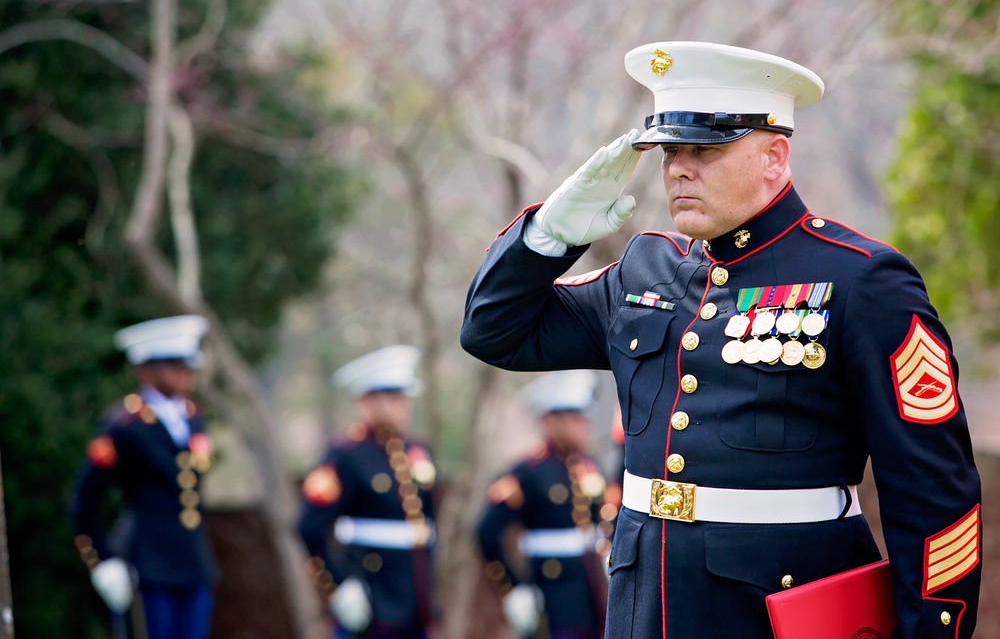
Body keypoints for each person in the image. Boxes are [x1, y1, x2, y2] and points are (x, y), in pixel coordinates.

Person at [460, 41, 982, 638]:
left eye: (705, 149)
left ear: (774, 157)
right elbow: (492, 332)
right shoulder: (644, 270)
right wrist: (547, 235)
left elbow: (935, 498)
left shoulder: (863, 280)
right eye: (670, 150)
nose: (679, 168)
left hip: (780, 614)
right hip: (643, 609)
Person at [71, 314, 217, 639]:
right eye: (175, 366)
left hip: (193, 561)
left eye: (187, 366)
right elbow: (84, 499)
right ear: (146, 370)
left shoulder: (194, 419)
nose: (185, 374)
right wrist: (102, 561)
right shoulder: (125, 427)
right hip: (147, 563)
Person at [298, 345, 436, 639]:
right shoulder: (346, 455)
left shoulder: (417, 451)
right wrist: (339, 587)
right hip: (372, 598)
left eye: (404, 397)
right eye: (392, 397)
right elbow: (309, 527)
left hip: (416, 601)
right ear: (365, 401)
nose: (402, 405)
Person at [476, 369, 617, 639]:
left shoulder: (589, 465)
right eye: (574, 417)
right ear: (550, 421)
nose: (583, 425)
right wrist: (513, 588)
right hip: (552, 593)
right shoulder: (528, 472)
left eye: (583, 416)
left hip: (593, 591)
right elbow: (486, 532)